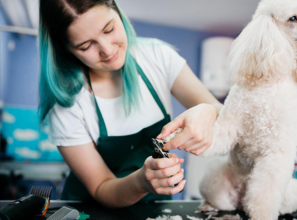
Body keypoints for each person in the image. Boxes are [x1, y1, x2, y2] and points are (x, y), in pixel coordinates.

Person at [38, 0, 222, 207]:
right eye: (86, 46)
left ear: (118, 12)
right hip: (92, 209)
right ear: (66, 49)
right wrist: (142, 181)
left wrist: (208, 110)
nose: (107, 50)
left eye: (109, 29)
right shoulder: (67, 102)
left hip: (154, 205)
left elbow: (222, 113)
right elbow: (101, 187)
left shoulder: (158, 57)